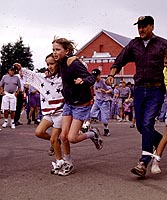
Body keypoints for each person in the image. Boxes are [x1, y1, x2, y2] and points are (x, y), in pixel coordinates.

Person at [105, 16, 167, 178]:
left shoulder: (163, 44)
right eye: (139, 27)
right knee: (141, 127)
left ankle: (143, 162)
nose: (140, 29)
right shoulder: (134, 44)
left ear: (152, 27)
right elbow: (120, 60)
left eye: (144, 26)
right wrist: (111, 75)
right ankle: (159, 140)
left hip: (156, 90)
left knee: (148, 123)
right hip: (140, 90)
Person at [52, 37, 103, 176]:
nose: (55, 52)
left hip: (81, 105)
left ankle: (93, 133)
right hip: (69, 103)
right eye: (53, 50)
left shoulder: (73, 63)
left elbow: (91, 78)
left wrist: (83, 80)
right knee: (63, 137)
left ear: (67, 50)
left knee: (72, 138)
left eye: (57, 49)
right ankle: (68, 163)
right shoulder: (61, 63)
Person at [13, 54, 66, 175]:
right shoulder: (43, 77)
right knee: (39, 132)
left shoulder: (63, 76)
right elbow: (31, 75)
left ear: (58, 64)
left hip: (60, 111)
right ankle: (56, 142)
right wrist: (21, 68)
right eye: (47, 64)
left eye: (52, 64)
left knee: (53, 139)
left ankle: (60, 162)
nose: (49, 66)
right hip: (49, 112)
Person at [90, 68, 113, 136]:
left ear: (99, 75)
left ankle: (106, 129)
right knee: (91, 113)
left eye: (96, 76)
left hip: (104, 101)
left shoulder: (104, 81)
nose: (95, 77)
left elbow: (111, 90)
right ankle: (88, 127)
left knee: (104, 118)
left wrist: (105, 91)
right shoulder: (94, 82)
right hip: (97, 100)